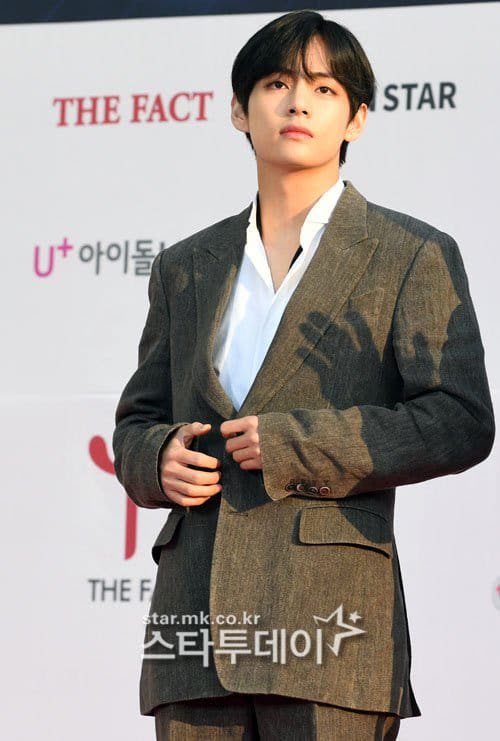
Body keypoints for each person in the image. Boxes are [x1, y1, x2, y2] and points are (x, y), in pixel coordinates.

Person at [112, 9, 495, 740]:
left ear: (357, 119)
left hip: (332, 622)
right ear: (239, 110)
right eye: (276, 84)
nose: (297, 103)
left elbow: (460, 419)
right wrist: (155, 458)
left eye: (324, 89)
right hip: (194, 625)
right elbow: (137, 420)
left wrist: (298, 445)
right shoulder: (185, 265)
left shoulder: (409, 253)